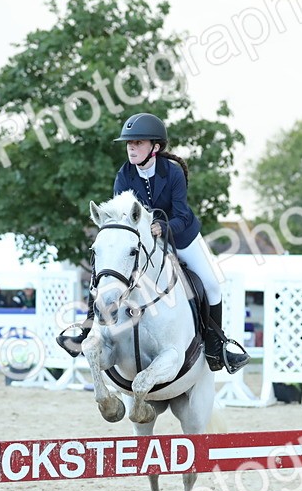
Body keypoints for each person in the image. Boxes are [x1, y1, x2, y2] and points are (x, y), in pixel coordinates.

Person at [58, 112, 249, 374]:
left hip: (181, 235)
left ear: (155, 147)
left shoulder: (172, 173)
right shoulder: (123, 175)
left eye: (138, 143)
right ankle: (89, 326)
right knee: (108, 270)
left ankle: (217, 344)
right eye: (129, 143)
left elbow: (182, 214)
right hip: (143, 241)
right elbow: (121, 217)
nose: (131, 148)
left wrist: (164, 227)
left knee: (212, 284)